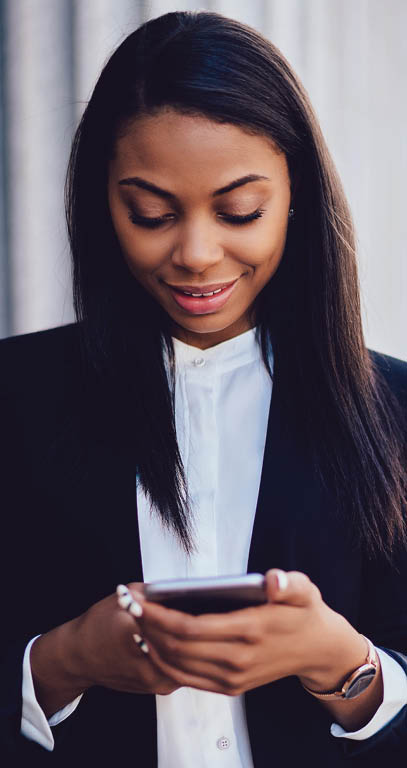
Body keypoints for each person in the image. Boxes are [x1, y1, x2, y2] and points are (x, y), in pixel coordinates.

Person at [0, 9, 406, 767]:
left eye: (238, 211)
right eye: (150, 213)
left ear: (296, 197)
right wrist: (62, 663)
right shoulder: (14, 400)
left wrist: (342, 663)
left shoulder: (395, 413)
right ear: (103, 205)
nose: (195, 253)